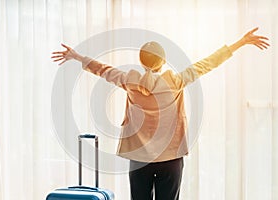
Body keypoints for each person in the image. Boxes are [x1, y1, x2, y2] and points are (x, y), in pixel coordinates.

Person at [51, 27, 269, 200]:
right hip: (171, 158)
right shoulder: (176, 81)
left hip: (138, 159)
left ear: (141, 61)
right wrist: (240, 43)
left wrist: (77, 56)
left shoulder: (129, 80)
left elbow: (103, 70)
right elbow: (207, 64)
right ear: (163, 62)